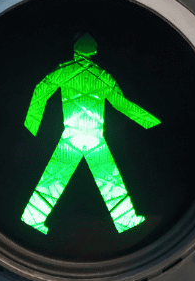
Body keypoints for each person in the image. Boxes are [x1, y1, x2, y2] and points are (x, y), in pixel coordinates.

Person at [20, 33, 160, 235]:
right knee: (110, 181)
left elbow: (40, 91)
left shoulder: (65, 72)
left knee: (54, 180)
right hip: (93, 136)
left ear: (76, 51)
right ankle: (126, 221)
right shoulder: (102, 75)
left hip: (72, 136)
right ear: (94, 51)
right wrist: (149, 122)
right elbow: (122, 104)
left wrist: (31, 126)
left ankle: (33, 217)